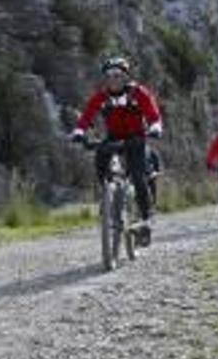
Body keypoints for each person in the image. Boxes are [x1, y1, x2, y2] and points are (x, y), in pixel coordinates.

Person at [70, 54, 163, 246]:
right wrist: (79, 131)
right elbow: (87, 115)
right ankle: (107, 196)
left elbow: (153, 115)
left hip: (136, 138)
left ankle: (146, 220)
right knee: (100, 159)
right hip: (114, 137)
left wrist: (155, 127)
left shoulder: (139, 93)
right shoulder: (101, 97)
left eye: (118, 75)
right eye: (110, 75)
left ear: (126, 76)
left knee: (138, 176)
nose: (114, 79)